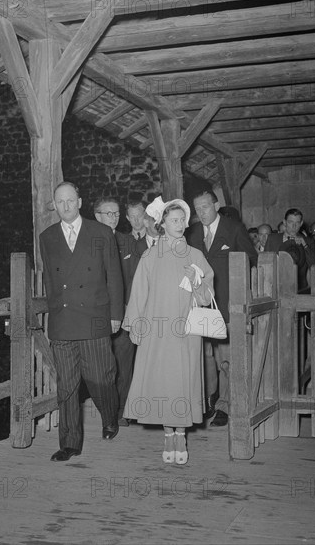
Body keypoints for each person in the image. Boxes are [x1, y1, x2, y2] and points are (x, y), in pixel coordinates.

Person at [123, 197, 214, 465]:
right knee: (162, 382)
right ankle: (167, 435)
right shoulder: (150, 255)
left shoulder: (196, 255)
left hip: (186, 330)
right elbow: (139, 292)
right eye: (173, 220)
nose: (179, 224)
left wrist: (197, 281)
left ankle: (181, 435)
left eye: (182, 220)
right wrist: (135, 324)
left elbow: (207, 296)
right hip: (156, 330)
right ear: (162, 224)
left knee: (182, 381)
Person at [39, 182, 124, 462]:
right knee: (67, 386)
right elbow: (51, 279)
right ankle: (70, 443)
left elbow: (114, 276)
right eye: (60, 202)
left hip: (94, 319)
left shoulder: (100, 233)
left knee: (100, 378)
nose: (65, 206)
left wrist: (115, 316)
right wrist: (54, 311)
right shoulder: (47, 237)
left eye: (70, 200)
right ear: (55, 204)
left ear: (79, 202)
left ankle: (110, 415)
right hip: (63, 321)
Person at [187, 190, 258, 424]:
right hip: (202, 306)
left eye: (205, 207)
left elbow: (251, 259)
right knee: (206, 355)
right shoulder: (194, 233)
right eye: (197, 209)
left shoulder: (234, 228)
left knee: (226, 359)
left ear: (216, 206)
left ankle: (225, 406)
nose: (201, 212)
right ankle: (209, 400)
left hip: (227, 304)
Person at [94, 196, 143, 427]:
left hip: (124, 315)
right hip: (98, 315)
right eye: (108, 213)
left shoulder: (127, 241)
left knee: (124, 363)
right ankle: (107, 410)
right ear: (97, 216)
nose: (113, 218)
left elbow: (135, 278)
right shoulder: (90, 242)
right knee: (103, 366)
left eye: (115, 213)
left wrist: (130, 309)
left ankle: (123, 410)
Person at [265, 208, 315, 292]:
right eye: (290, 222)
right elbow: (265, 265)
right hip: (275, 288)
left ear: (301, 223)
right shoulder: (272, 239)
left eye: (297, 223)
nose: (294, 226)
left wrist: (305, 245)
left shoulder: (308, 241)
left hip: (300, 289)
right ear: (284, 222)